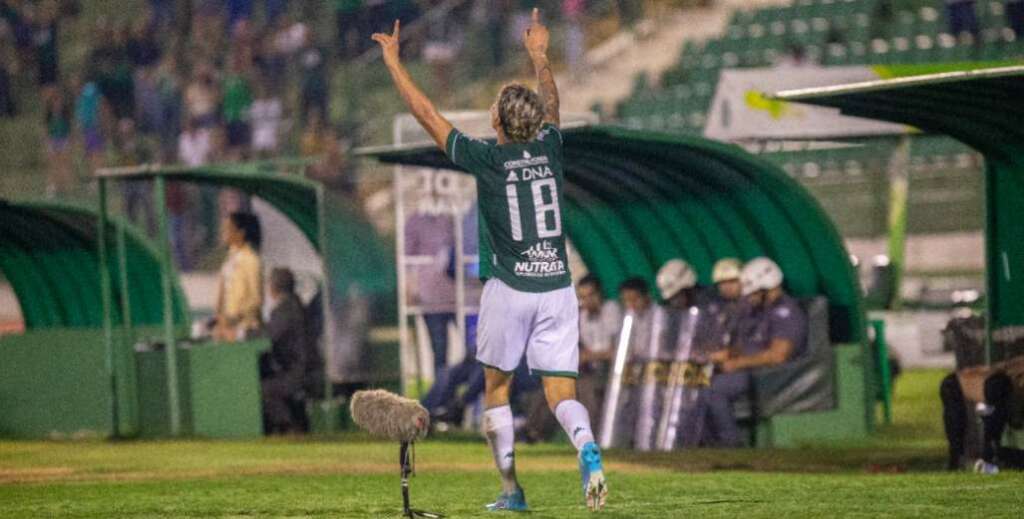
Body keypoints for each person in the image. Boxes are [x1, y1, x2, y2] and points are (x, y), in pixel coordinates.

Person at [372, 9, 607, 511]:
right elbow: (554, 106)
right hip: (559, 286)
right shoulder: (551, 147)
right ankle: (587, 447)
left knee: (494, 387)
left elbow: (429, 117)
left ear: (497, 121)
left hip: (510, 286)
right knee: (561, 392)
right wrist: (540, 57)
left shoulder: (488, 159)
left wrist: (394, 62)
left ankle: (511, 491)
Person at [707, 257, 806, 447]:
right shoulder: (760, 311)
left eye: (752, 293)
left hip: (768, 373)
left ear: (766, 288)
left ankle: (731, 443)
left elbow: (778, 356)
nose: (748, 297)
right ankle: (707, 442)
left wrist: (737, 363)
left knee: (715, 390)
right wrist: (728, 353)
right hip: (750, 368)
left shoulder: (786, 313)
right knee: (700, 383)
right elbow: (750, 345)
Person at [940, 356, 1024, 473]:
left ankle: (988, 461)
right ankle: (980, 462)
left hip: (983, 388)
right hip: (965, 385)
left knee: (993, 427)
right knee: (988, 427)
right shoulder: (1002, 383)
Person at [261, 267, 309, 434]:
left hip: (296, 372)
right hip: (299, 369)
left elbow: (270, 335)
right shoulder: (294, 304)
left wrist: (243, 333)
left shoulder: (285, 309)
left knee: (263, 389)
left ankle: (289, 427)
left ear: (272, 287)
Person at [576, 274, 621, 423]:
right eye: (582, 297)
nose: (585, 302)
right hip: (594, 369)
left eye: (589, 296)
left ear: (599, 294)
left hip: (613, 370)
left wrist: (589, 356)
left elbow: (615, 352)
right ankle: (532, 432)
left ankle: (593, 436)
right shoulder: (583, 316)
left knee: (587, 386)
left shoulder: (611, 310)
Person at [214, 212, 264, 342]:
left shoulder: (251, 260)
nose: (223, 232)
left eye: (227, 228)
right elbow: (223, 292)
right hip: (227, 327)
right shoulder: (229, 258)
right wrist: (220, 318)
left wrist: (234, 318)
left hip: (245, 328)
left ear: (240, 233)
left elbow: (256, 299)